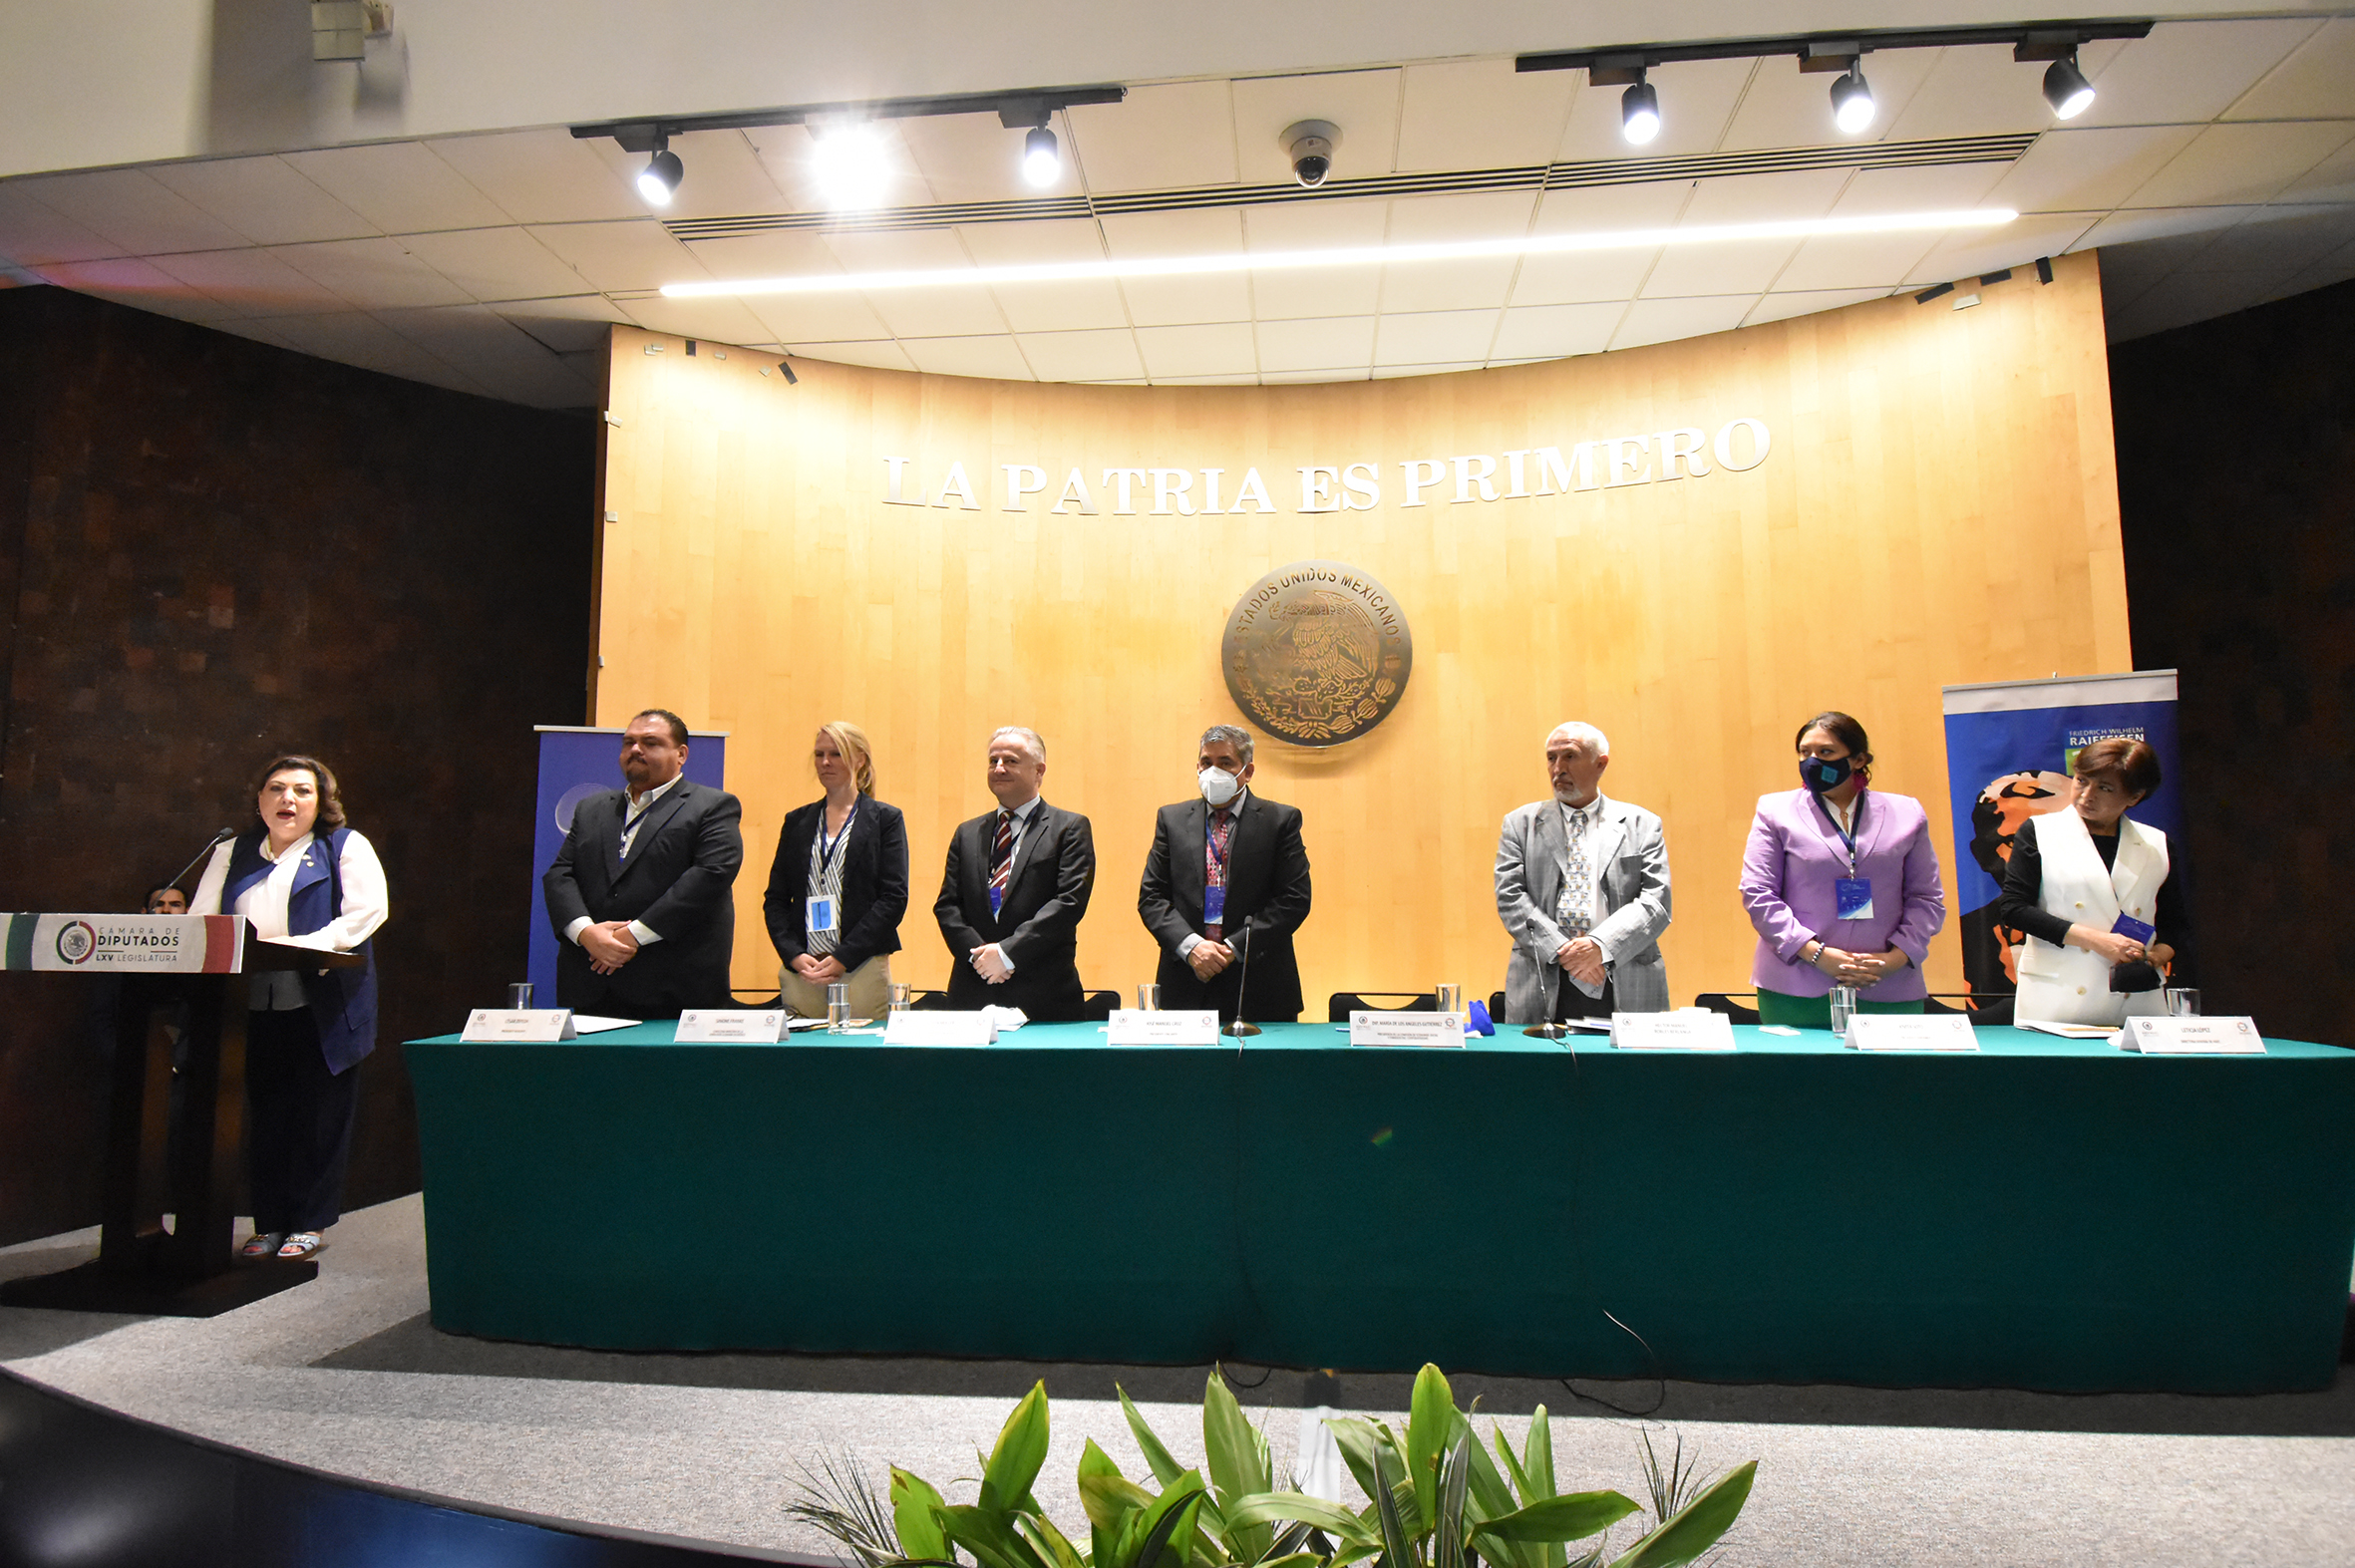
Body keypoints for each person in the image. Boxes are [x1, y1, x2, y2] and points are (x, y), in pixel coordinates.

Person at [187, 755, 386, 1262]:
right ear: (259, 800)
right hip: (250, 1001)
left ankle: (308, 1222)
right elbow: (202, 919)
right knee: (267, 1118)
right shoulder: (231, 852)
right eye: (276, 789)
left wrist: (305, 946)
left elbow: (366, 913)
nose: (287, 799)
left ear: (321, 802)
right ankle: (269, 1222)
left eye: (302, 790)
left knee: (320, 1117)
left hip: (324, 1001)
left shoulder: (343, 846)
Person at [1740, 711, 1946, 1028]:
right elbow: (1758, 894)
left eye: (1826, 752)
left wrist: (1896, 958)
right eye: (1804, 752)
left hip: (1887, 983)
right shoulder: (1774, 811)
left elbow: (1926, 897)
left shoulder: (1907, 813)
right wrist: (1815, 954)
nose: (1812, 761)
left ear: (1859, 759)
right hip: (1797, 983)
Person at [542, 710, 744, 1019]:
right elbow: (560, 874)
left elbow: (710, 876)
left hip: (675, 989)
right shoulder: (591, 808)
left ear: (681, 754)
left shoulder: (712, 806)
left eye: (650, 743)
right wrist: (586, 933)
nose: (636, 749)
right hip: (595, 984)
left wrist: (630, 935)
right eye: (629, 742)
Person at [1995, 738, 2189, 1027]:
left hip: (2136, 999)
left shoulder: (2156, 844)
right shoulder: (2040, 832)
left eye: (2105, 788)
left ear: (2134, 797)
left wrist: (2153, 958)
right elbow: (2014, 909)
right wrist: (2099, 942)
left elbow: (2174, 925)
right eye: (2081, 781)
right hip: (2059, 998)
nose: (2086, 795)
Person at [1494, 722, 1672, 1025]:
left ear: (1600, 764)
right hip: (1545, 974)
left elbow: (1656, 902)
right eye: (1551, 758)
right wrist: (1567, 952)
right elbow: (1510, 896)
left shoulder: (1642, 824)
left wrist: (1600, 947)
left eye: (1570, 757)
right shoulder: (1519, 825)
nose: (1558, 769)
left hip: (1624, 974)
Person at [1138, 725, 1311, 1024]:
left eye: (1225, 762)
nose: (1213, 771)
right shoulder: (1171, 819)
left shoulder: (1280, 821)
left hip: (1259, 985)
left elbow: (1294, 900)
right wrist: (1191, 947)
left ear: (1248, 771)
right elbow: (1151, 897)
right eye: (1206, 762)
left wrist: (1233, 948)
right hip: (1187, 980)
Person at [933, 727, 1096, 1020]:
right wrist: (981, 958)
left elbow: (1069, 902)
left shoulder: (1069, 828)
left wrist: (1007, 954)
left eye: (1010, 760)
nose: (999, 768)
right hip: (974, 988)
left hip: (1043, 995)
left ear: (1039, 770)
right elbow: (948, 906)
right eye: (993, 760)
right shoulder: (967, 833)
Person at [763, 721, 908, 1020]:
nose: (825, 762)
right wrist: (792, 954)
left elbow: (893, 898)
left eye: (836, 754)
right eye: (819, 754)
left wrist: (844, 957)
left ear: (860, 759)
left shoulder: (885, 819)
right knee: (804, 1048)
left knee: (861, 1047)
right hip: (804, 970)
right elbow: (776, 899)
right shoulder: (797, 821)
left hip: (861, 967)